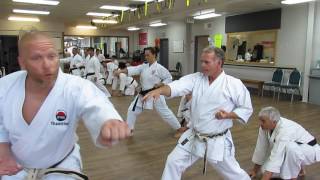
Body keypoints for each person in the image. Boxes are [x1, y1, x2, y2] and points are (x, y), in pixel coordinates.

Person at [0, 31, 130, 179]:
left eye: (52, 56)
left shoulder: (75, 87)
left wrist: (107, 121)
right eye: (36, 58)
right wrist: (3, 148)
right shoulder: (5, 86)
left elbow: (96, 104)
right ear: (22, 62)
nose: (47, 65)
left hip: (61, 166)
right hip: (14, 167)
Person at [143, 47, 253, 180]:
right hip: (194, 135)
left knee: (233, 173)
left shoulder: (233, 84)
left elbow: (246, 108)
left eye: (207, 62)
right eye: (202, 62)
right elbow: (176, 86)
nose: (202, 65)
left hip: (217, 140)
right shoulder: (196, 78)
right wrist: (160, 90)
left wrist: (229, 115)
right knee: (173, 162)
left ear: (219, 62)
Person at [114, 47, 183, 136]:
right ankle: (129, 129)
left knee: (165, 112)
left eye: (148, 55)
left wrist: (161, 84)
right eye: (145, 55)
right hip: (143, 94)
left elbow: (169, 78)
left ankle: (179, 129)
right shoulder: (144, 66)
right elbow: (133, 69)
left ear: (154, 55)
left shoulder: (159, 68)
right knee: (132, 110)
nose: (146, 57)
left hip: (155, 93)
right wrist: (120, 71)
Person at [249, 106, 320, 180]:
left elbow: (276, 155)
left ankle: (293, 177)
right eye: (260, 120)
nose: (260, 123)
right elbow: (261, 148)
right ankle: (299, 169)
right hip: (298, 148)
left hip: (309, 150)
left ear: (274, 121)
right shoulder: (264, 127)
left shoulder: (285, 130)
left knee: (290, 148)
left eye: (263, 121)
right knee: (264, 170)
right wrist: (255, 170)